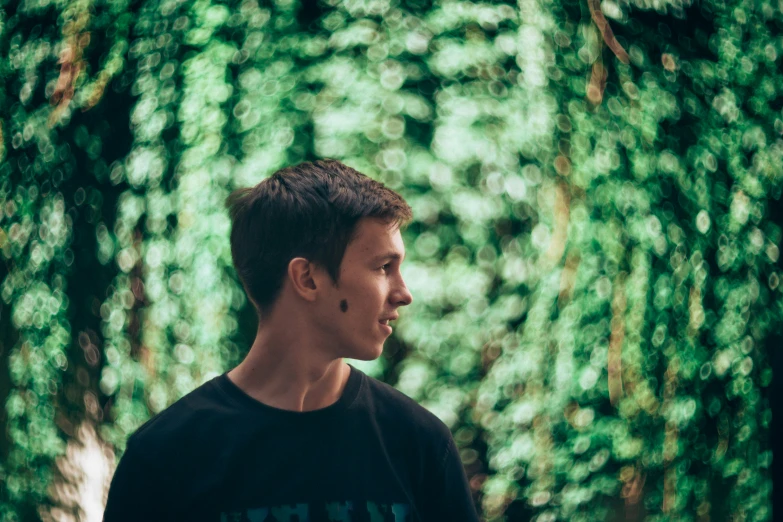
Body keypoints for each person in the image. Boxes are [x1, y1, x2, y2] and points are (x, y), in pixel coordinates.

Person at [103, 159, 480, 522]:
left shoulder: (420, 445)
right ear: (307, 278)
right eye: (384, 267)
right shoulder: (163, 459)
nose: (404, 293)